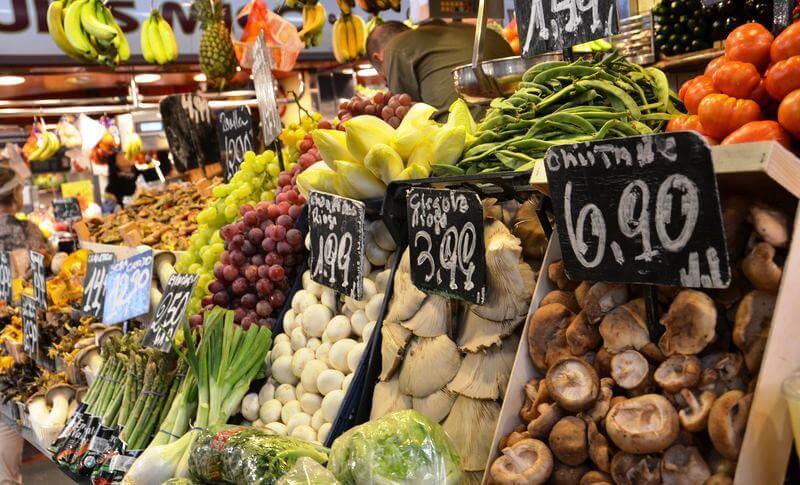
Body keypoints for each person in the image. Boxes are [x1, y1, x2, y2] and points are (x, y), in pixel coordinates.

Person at [0, 165, 48, 485]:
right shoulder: (28, 232)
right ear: (16, 194)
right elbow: (46, 261)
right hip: (19, 328)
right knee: (8, 411)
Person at [366, 20, 514, 116]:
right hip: (523, 123)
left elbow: (403, 120)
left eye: (386, 79)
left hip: (468, 142)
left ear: (379, 58)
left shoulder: (394, 48)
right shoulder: (488, 33)